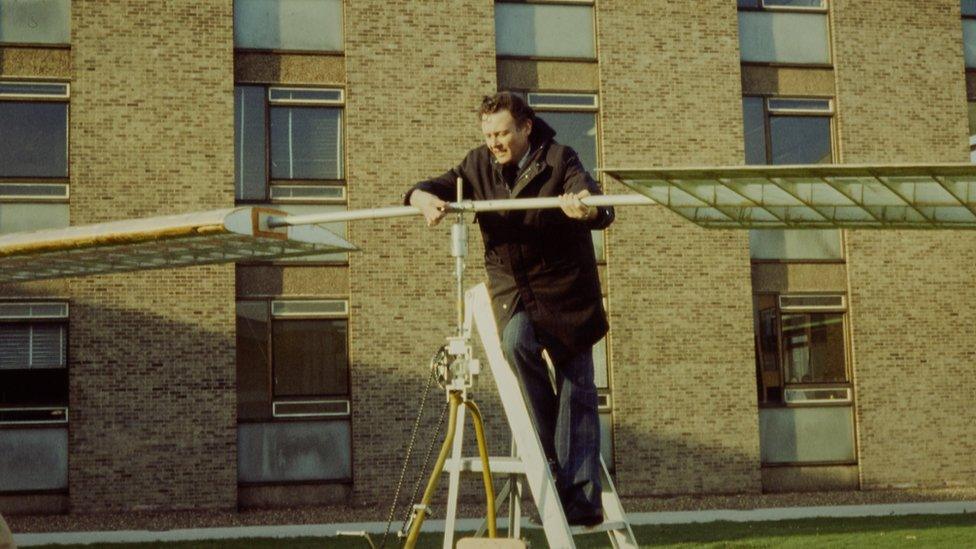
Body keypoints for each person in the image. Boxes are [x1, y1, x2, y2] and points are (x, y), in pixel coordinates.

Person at [404, 92, 614, 526]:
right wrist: (420, 198)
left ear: (525, 128)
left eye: (502, 133)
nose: (494, 142)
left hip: (567, 293)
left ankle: (583, 502)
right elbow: (432, 186)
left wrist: (583, 206)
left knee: (578, 388)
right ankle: (552, 462)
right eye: (488, 134)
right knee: (515, 341)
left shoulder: (559, 158)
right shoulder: (477, 165)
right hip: (515, 291)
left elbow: (595, 201)